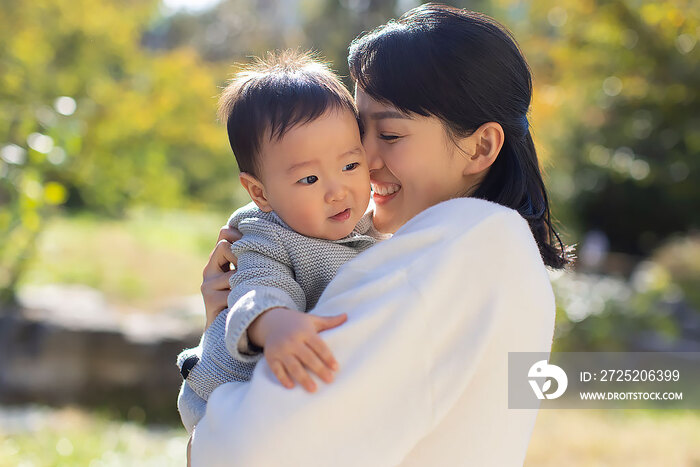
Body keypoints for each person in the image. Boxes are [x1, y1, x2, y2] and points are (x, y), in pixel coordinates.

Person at [188, 4, 570, 465]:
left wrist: (210, 410)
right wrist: (227, 321)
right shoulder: (494, 249)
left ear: (481, 145)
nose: (362, 160)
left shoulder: (454, 252)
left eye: (389, 135)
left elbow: (241, 451)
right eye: (359, 130)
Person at [175, 50, 391, 434]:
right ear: (261, 193)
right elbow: (256, 288)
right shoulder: (265, 233)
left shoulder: (372, 218)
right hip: (223, 396)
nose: (337, 192)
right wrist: (275, 325)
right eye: (309, 179)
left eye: (350, 166)